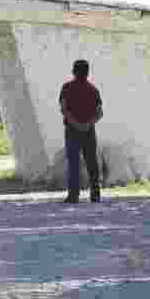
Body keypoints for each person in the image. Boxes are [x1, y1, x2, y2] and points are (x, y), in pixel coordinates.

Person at [59, 59, 103, 204]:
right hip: (89, 131)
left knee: (74, 163)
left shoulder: (66, 88)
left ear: (73, 71)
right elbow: (99, 113)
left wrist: (76, 124)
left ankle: (73, 195)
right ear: (87, 72)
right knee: (92, 163)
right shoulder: (93, 89)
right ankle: (95, 194)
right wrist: (87, 124)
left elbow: (64, 109)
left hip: (72, 130)